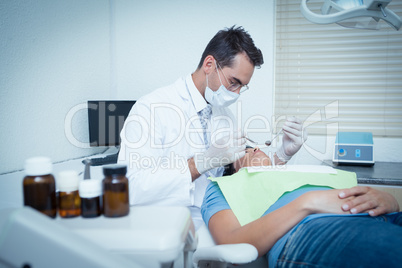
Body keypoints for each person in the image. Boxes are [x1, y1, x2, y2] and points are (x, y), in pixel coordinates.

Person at [117, 26, 305, 228]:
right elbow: (129, 188)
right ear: (209, 64)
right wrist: (201, 163)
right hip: (166, 225)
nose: (237, 93)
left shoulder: (224, 114)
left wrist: (280, 156)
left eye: (242, 86)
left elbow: (242, 170)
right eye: (234, 82)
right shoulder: (152, 109)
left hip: (216, 217)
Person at [201, 147, 402, 267]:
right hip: (315, 231)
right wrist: (308, 202)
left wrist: (391, 202)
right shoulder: (224, 186)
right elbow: (231, 243)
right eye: (245, 152)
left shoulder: (307, 171)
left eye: (254, 146)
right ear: (233, 170)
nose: (254, 149)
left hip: (381, 216)